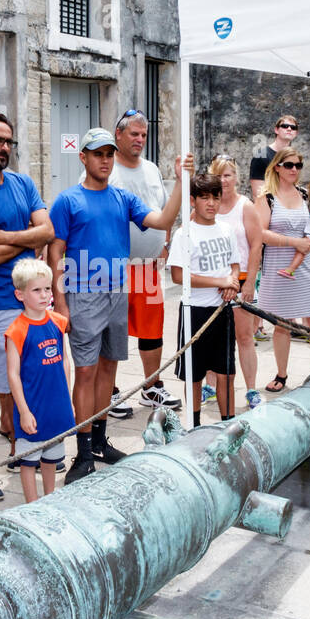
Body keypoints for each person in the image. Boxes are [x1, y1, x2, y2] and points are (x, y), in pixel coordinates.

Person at [48, 128, 188, 484]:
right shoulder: (68, 200)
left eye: (109, 154)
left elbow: (161, 220)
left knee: (108, 370)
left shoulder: (121, 198)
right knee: (85, 372)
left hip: (117, 290)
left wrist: (179, 182)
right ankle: (81, 452)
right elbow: (55, 252)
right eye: (98, 154)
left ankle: (98, 441)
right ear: (84, 157)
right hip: (82, 293)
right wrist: (60, 301)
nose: (105, 160)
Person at [0, 112, 54, 494]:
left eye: (8, 141)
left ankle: (22, 450)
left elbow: (48, 230)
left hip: (32, 302)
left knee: (24, 382)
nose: (4, 148)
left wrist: (5, 236)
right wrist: (27, 241)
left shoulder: (22, 182)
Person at [109, 109, 181, 411]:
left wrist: (165, 243)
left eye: (143, 135)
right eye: (134, 134)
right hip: (114, 268)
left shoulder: (151, 168)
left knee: (152, 330)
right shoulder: (106, 169)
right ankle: (109, 391)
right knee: (113, 330)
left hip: (148, 267)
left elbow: (164, 209)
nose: (139, 139)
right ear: (118, 135)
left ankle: (152, 388)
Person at [253, 148, 310, 392]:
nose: (294, 170)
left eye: (298, 165)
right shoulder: (266, 197)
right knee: (282, 323)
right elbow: (259, 233)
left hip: (309, 264)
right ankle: (282, 374)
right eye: (289, 165)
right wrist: (292, 242)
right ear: (277, 167)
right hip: (279, 264)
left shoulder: (306, 194)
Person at [167, 173, 240, 428]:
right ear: (192, 201)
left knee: (227, 372)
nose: (211, 203)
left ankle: (228, 424)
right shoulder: (184, 234)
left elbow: (234, 266)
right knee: (193, 375)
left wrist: (232, 283)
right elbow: (178, 275)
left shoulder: (227, 230)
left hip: (222, 310)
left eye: (216, 197)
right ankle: (194, 425)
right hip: (194, 312)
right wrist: (220, 282)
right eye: (205, 198)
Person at [5, 259, 75, 502]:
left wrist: (68, 396)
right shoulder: (16, 330)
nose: (44, 295)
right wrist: (23, 411)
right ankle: (32, 504)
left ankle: (49, 499)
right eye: (37, 290)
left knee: (52, 458)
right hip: (32, 405)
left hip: (57, 404)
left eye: (47, 288)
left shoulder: (58, 321)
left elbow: (64, 359)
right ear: (20, 294)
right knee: (28, 460)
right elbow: (12, 374)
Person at [209, 154, 263, 409]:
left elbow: (255, 246)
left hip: (239, 278)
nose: (223, 180)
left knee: (244, 336)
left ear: (236, 177)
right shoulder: (207, 205)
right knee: (211, 335)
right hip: (213, 279)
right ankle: (209, 386)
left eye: (227, 174)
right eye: (219, 175)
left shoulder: (246, 206)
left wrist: (250, 282)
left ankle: (251, 389)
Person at [249, 114, 297, 200]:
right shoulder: (261, 155)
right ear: (276, 130)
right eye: (285, 126)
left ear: (296, 133)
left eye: (293, 127)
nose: (289, 129)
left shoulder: (294, 157)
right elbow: (257, 193)